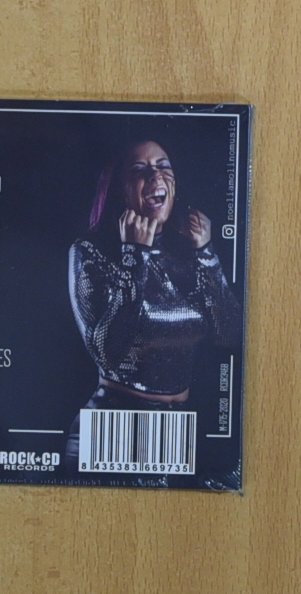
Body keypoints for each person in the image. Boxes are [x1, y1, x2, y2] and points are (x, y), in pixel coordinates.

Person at [65, 140, 241, 472]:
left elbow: (230, 336)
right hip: (114, 428)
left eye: (163, 166)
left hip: (179, 431)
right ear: (120, 189)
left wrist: (207, 255)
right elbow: (107, 354)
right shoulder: (90, 251)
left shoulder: (188, 250)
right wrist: (135, 255)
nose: (156, 176)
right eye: (140, 170)